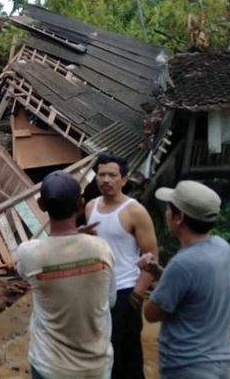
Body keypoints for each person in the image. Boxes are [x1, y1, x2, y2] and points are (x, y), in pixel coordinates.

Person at [17, 171, 116, 379]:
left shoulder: (30, 254)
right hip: (96, 367)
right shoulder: (102, 249)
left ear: (41, 205)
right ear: (80, 205)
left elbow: (27, 268)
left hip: (50, 366)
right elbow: (111, 300)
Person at [138, 180, 230, 378]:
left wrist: (151, 280)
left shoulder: (182, 263)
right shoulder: (223, 248)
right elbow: (192, 289)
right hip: (219, 363)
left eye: (168, 208)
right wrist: (158, 272)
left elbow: (152, 313)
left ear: (179, 217)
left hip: (188, 367)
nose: (166, 213)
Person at [85, 153, 157, 379]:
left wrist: (138, 292)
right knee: (99, 352)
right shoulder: (90, 207)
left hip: (126, 289)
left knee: (127, 356)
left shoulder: (134, 211)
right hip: (97, 291)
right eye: (101, 174)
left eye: (112, 175)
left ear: (124, 180)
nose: (106, 180)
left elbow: (151, 256)